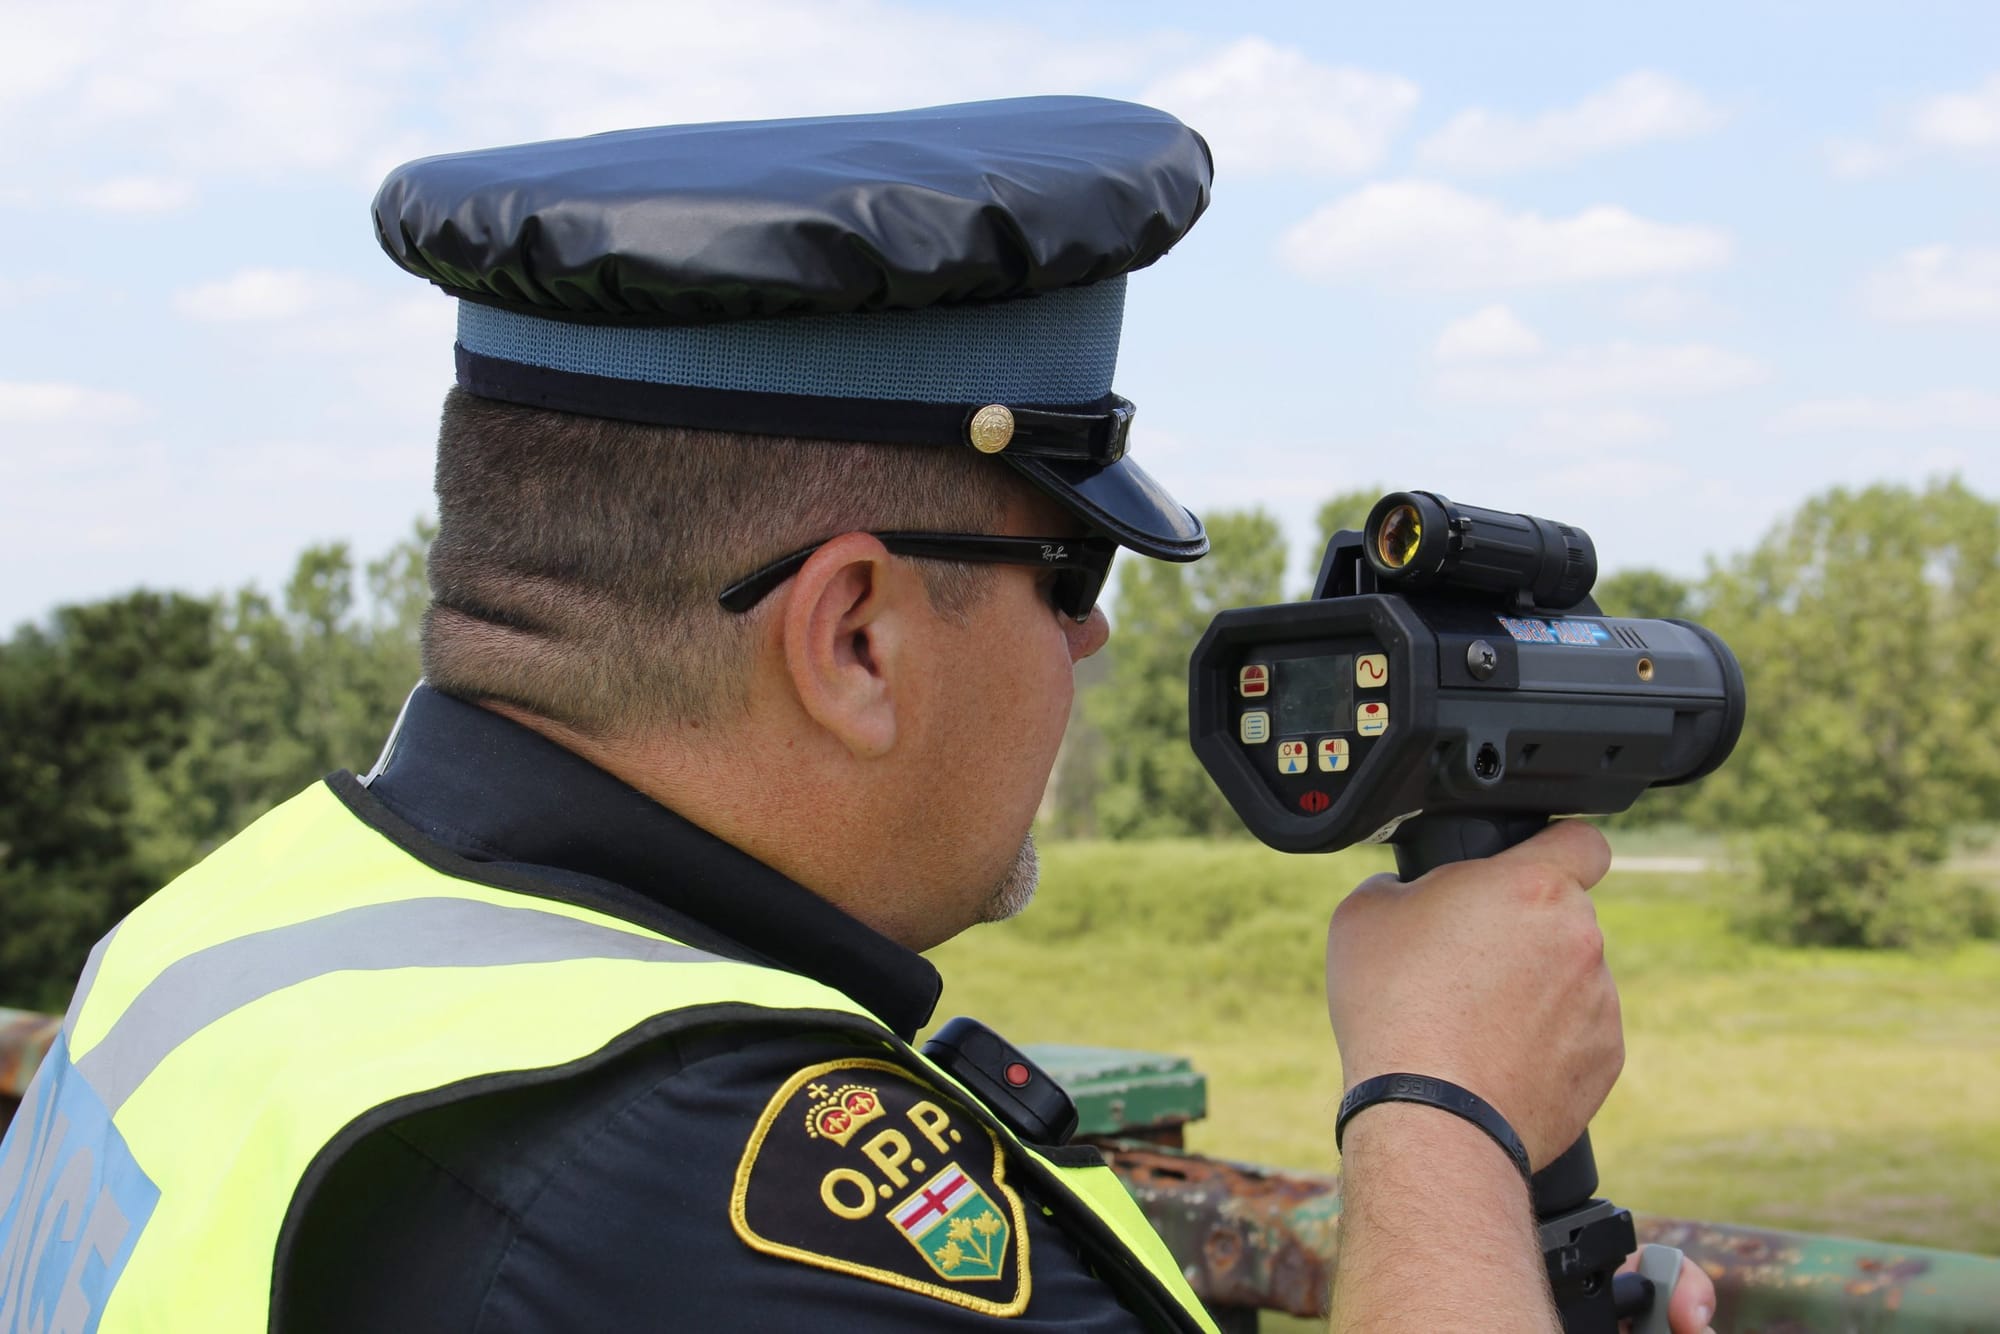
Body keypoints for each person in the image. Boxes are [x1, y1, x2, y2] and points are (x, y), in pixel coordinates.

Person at [0, 97, 1714, 1333]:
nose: (1099, 640)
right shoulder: (733, 1197)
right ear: (855, 636)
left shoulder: (235, 932)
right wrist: (1445, 1115)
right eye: (1067, 572)